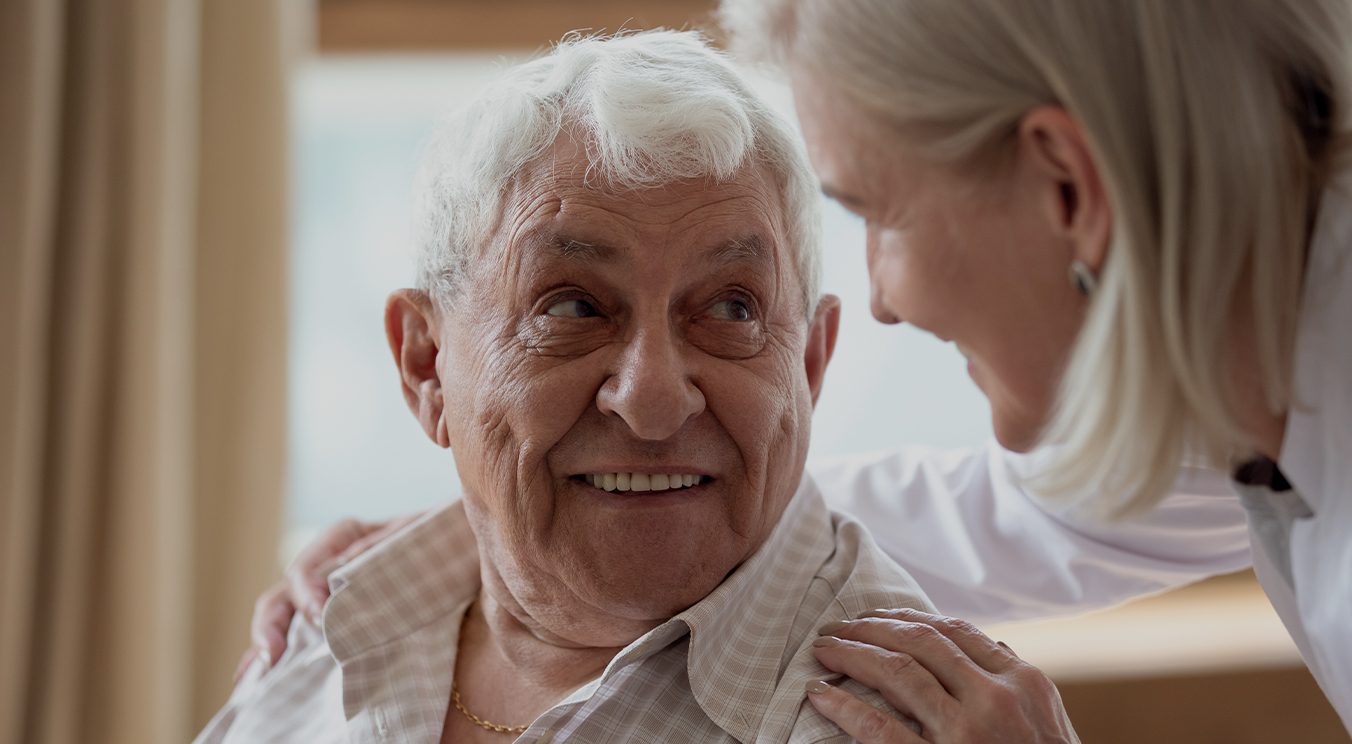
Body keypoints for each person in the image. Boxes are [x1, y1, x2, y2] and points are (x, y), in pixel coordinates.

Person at [195, 30, 949, 744]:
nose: (653, 401)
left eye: (730, 307)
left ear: (810, 365)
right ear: (427, 366)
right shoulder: (329, 621)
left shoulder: (889, 719)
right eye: (573, 307)